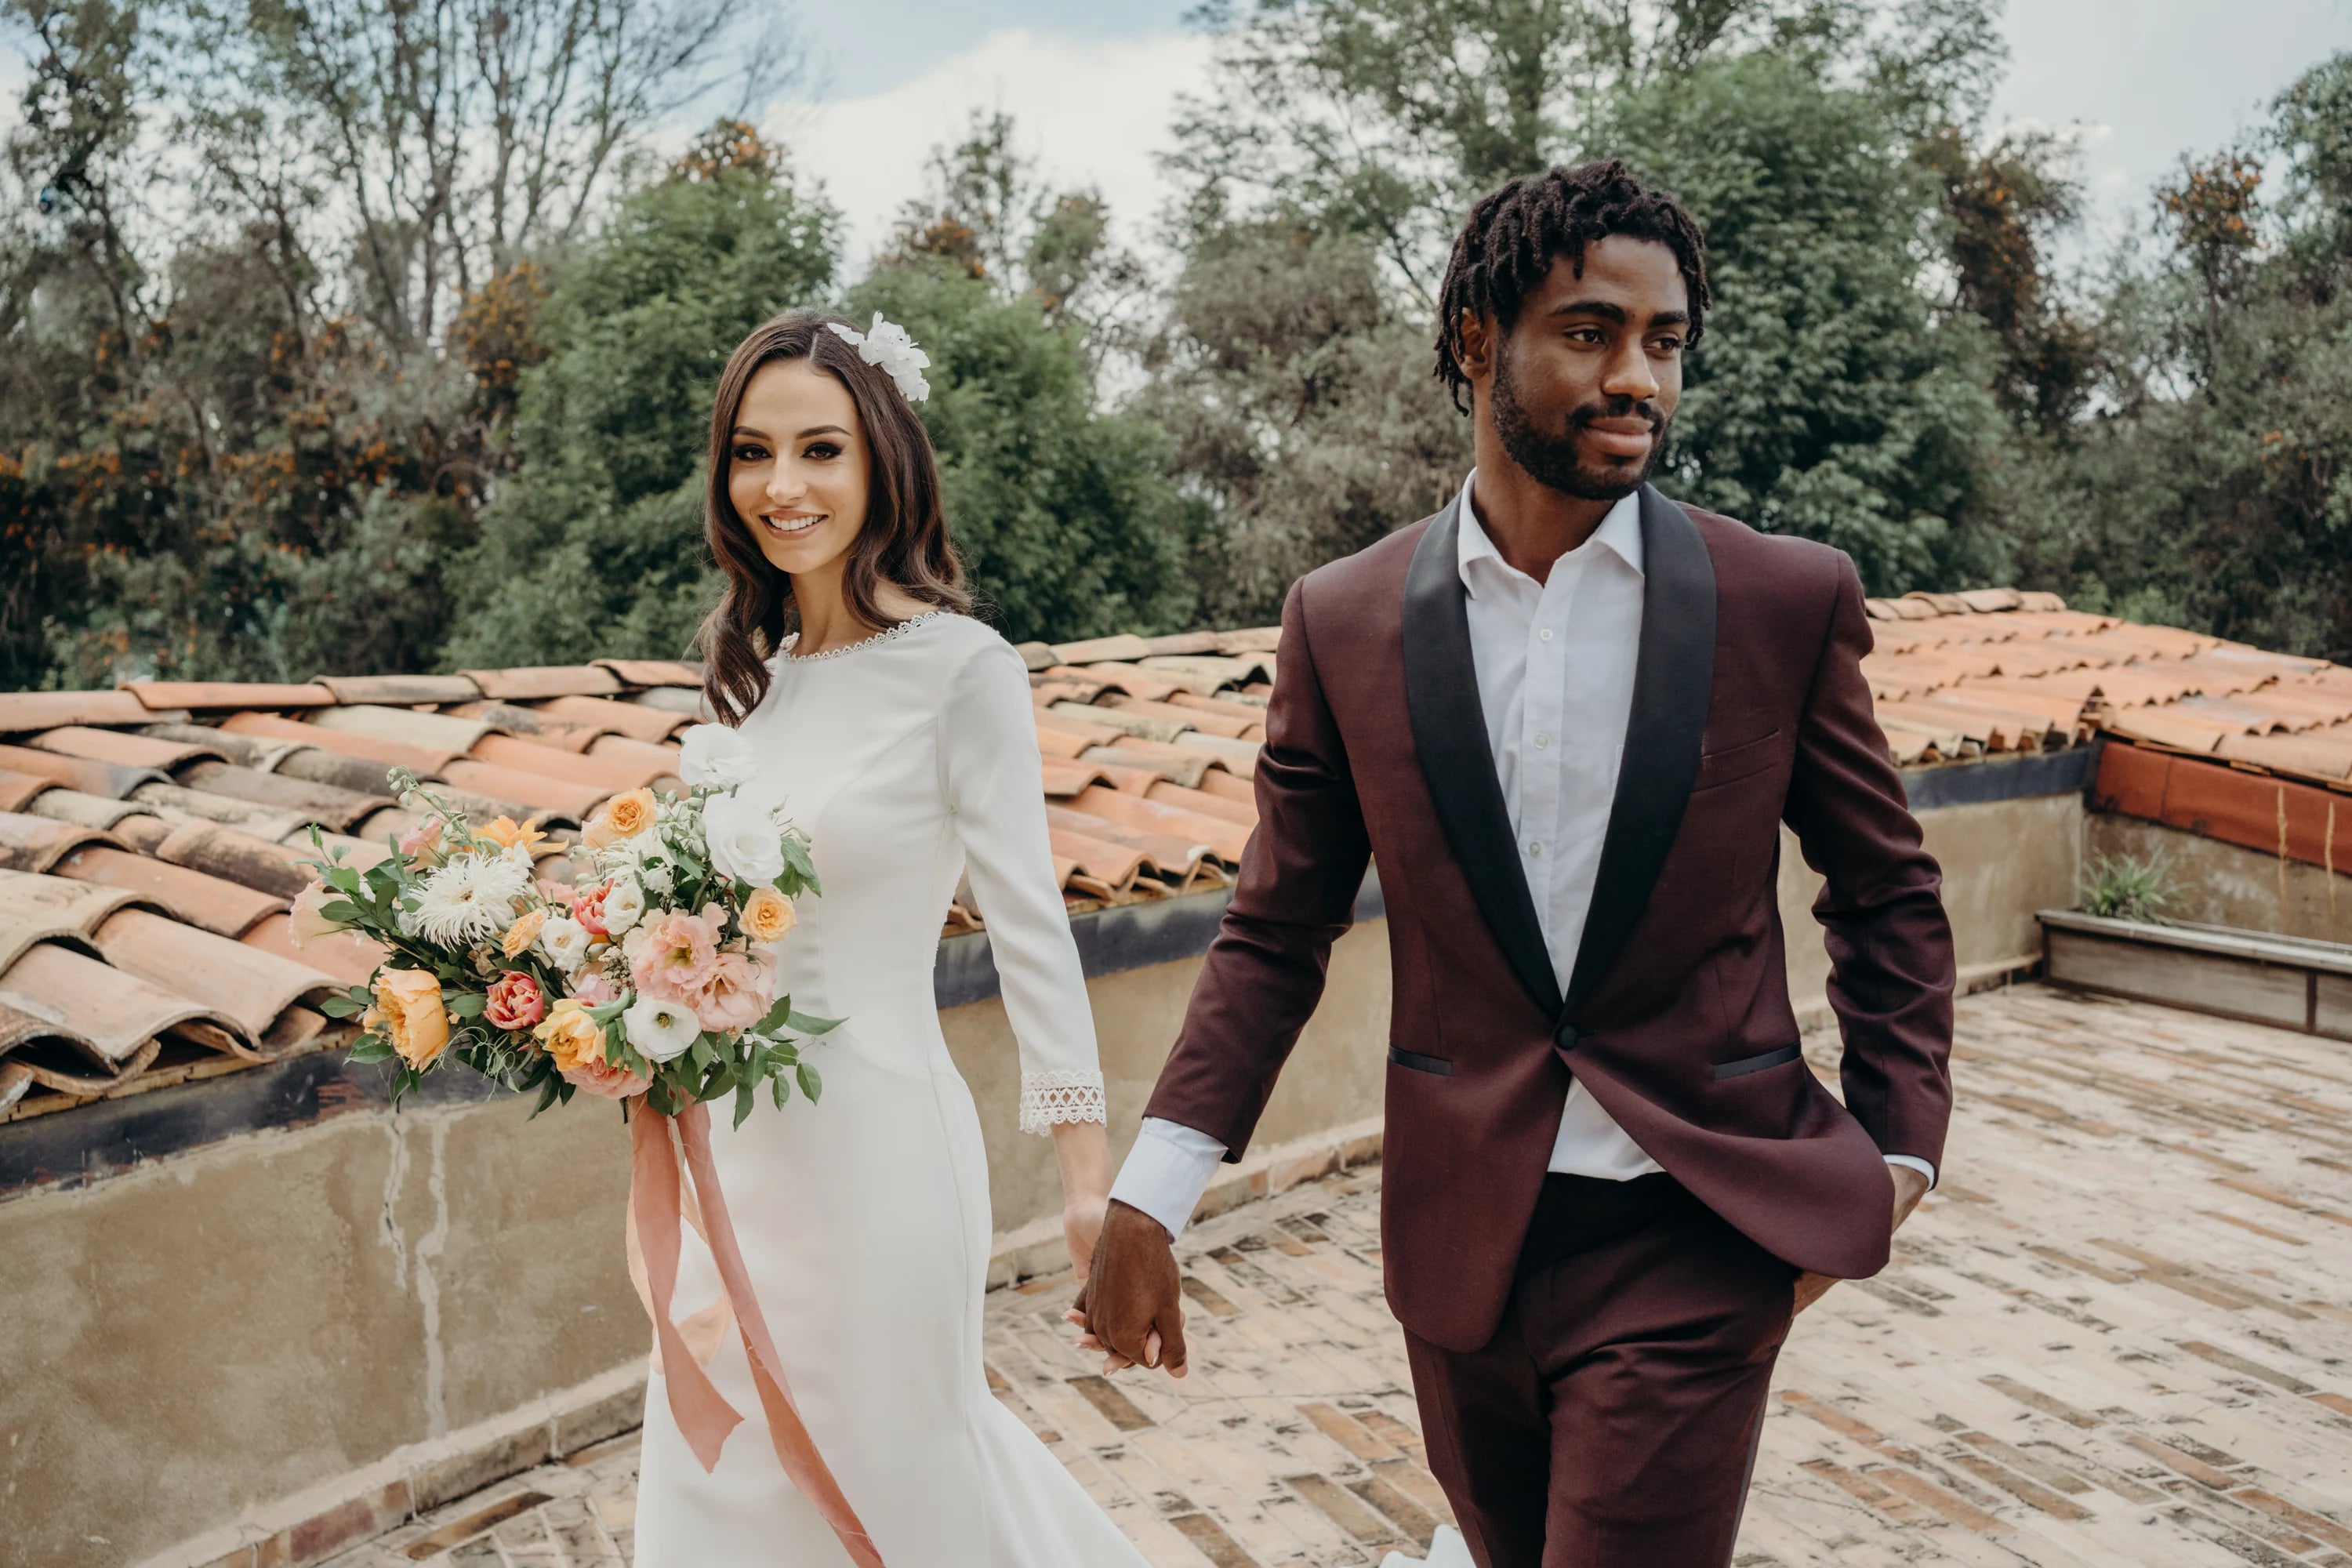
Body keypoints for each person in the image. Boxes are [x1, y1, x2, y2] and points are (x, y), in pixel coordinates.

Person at [1076, 161, 1957, 1568]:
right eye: (1592, 332)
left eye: (1665, 343)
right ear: (1480, 339)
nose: (1639, 379)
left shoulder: (1782, 602)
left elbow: (1885, 888)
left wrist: (1901, 1147)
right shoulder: (1345, 620)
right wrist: (1153, 1192)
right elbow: (1274, 929)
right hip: (1461, 1245)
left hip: (1699, 1224)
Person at [630, 308, 1149, 1567]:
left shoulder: (963, 669)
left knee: (902, 1463)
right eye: (753, 453)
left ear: (882, 465)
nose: (782, 485)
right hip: (733, 1152)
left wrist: (1090, 1185)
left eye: (821, 450)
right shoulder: (757, 677)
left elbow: (1032, 933)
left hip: (876, 1154)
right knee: (729, 1474)